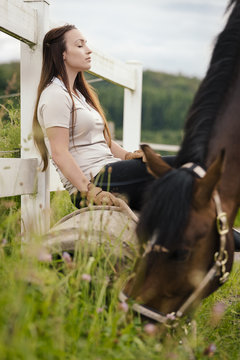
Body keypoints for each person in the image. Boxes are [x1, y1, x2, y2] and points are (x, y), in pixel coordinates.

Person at [33, 24, 240, 250]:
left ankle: (233, 240)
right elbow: (60, 153)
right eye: (80, 45)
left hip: (111, 171)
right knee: (186, 166)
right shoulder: (55, 95)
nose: (88, 50)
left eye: (87, 44)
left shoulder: (80, 96)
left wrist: (129, 155)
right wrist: (89, 190)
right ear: (62, 53)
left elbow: (106, 142)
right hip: (94, 181)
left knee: (182, 210)